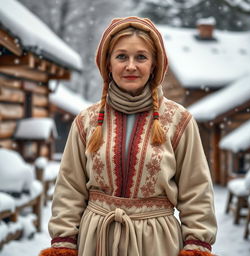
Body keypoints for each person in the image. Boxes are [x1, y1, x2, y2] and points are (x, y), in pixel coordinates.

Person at [39, 16, 217, 256]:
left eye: (141, 57)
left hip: (156, 242)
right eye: (121, 56)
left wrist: (197, 244)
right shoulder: (86, 120)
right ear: (108, 63)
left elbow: (196, 191)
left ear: (154, 64)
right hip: (96, 241)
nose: (131, 66)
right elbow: (69, 188)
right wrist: (64, 241)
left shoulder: (179, 120)